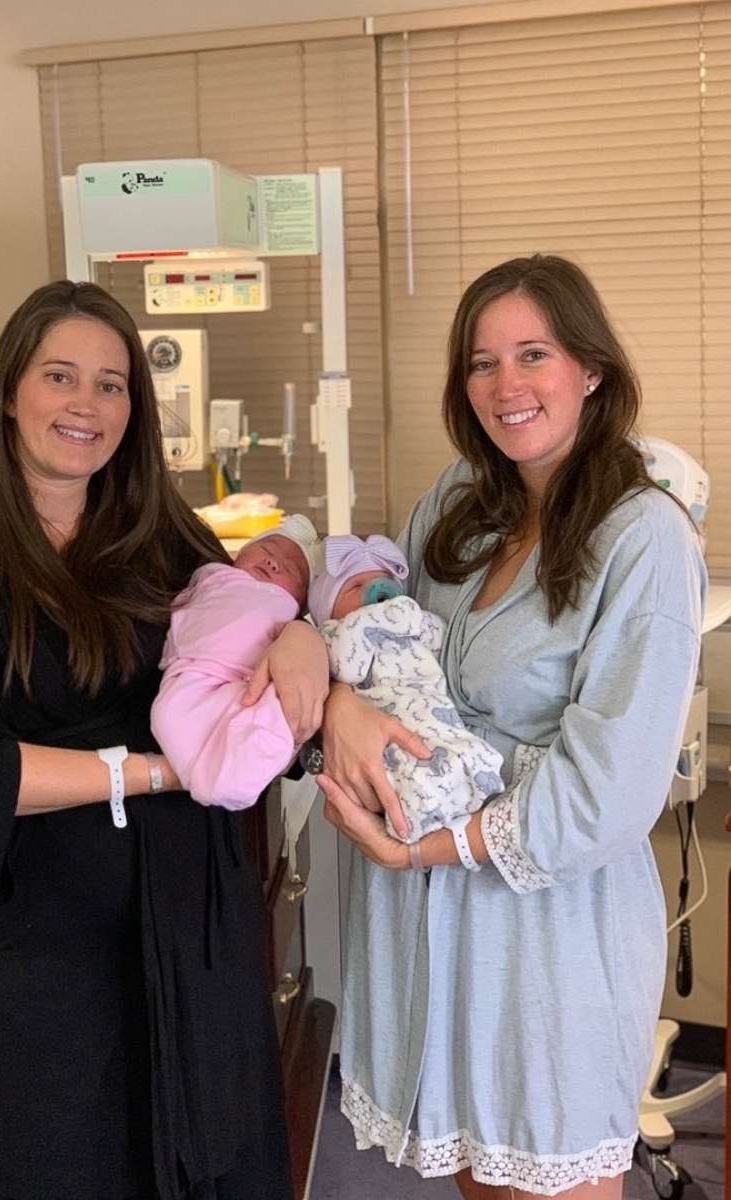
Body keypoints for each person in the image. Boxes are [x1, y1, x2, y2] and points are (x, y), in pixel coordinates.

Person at [0, 280, 326, 1200]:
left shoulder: (161, 535)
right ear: (12, 391)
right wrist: (171, 769)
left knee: (215, 1164)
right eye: (60, 376)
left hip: (191, 917)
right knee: (62, 1168)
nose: (87, 404)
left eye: (113, 384)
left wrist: (303, 633)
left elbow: (257, 617)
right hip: (45, 938)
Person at [316, 255, 706, 1199]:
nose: (507, 386)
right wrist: (338, 704)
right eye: (482, 363)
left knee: (552, 1173)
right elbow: (372, 642)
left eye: (534, 354)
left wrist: (423, 849)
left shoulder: (643, 538)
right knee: (479, 1179)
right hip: (433, 927)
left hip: (548, 927)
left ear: (591, 369)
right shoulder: (455, 504)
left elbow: (605, 797)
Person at [306, 533, 504, 848]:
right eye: (356, 587)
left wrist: (407, 614)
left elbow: (440, 638)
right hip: (387, 718)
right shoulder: (335, 633)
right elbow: (347, 667)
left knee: (464, 752)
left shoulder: (409, 624)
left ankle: (481, 796)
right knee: (409, 769)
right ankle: (415, 820)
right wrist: (371, 620)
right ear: (327, 610)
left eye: (384, 581)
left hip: (432, 708)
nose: (376, 591)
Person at [151, 514, 321, 809]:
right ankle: (209, 776)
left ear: (303, 599)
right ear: (238, 554)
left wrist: (304, 633)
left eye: (290, 571)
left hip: (247, 685)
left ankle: (233, 781)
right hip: (195, 672)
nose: (272, 563)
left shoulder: (290, 616)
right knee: (166, 715)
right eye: (266, 551)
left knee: (271, 716)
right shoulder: (210, 576)